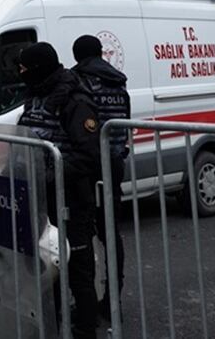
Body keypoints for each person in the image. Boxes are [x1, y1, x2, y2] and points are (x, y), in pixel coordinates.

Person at [17, 42, 101, 339]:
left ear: (39, 68)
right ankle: (53, 327)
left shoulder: (75, 101)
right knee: (46, 268)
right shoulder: (36, 96)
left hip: (73, 201)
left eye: (25, 68)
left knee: (78, 271)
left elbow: (88, 155)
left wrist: (51, 174)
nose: (21, 73)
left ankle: (85, 331)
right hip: (43, 201)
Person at [71, 34, 129, 320]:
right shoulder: (118, 81)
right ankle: (113, 299)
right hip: (115, 162)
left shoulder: (80, 81)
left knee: (82, 233)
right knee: (110, 232)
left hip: (88, 166)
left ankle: (89, 302)